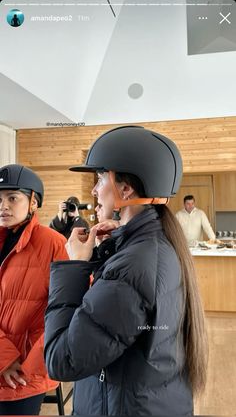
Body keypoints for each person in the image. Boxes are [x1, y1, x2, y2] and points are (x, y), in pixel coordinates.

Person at [44, 126, 208, 416]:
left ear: (125, 188)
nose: (94, 190)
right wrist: (115, 244)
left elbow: (62, 359)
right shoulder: (154, 244)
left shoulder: (133, 266)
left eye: (100, 179)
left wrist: (74, 267)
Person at [0, 164, 68, 416]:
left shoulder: (53, 243)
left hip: (23, 374)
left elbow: (66, 309)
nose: (3, 206)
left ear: (33, 203)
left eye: (12, 198)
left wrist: (27, 368)